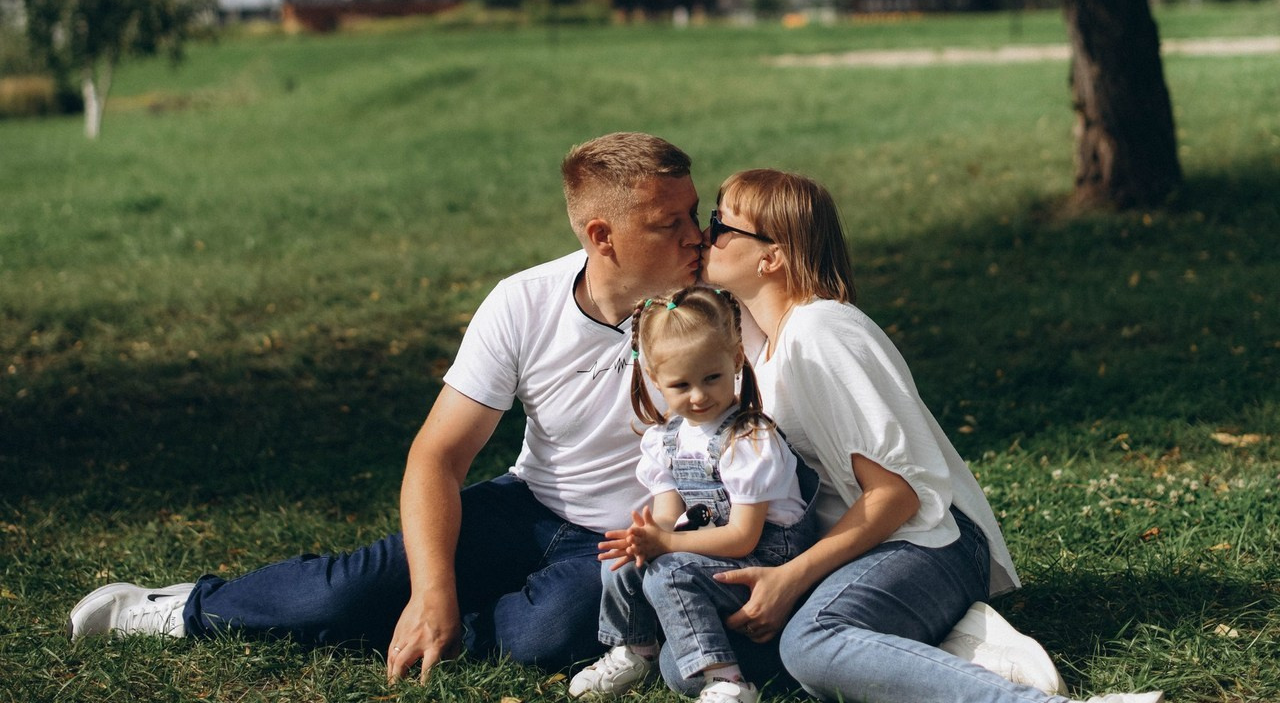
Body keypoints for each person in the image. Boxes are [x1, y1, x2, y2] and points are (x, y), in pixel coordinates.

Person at [67, 132, 706, 683]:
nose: (695, 237)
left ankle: (438, 624)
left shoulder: (715, 310)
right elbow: (438, 454)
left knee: (545, 635)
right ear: (602, 236)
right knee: (343, 592)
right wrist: (431, 591)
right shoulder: (524, 303)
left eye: (694, 215)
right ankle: (185, 609)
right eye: (668, 223)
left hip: (626, 540)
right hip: (527, 505)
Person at [693, 169, 1165, 703]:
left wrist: (793, 578)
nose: (705, 236)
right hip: (865, 553)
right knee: (690, 655)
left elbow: (897, 495)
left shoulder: (821, 331)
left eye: (719, 223)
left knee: (812, 644)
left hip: (930, 540)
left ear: (771, 256)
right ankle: (956, 649)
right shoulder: (762, 346)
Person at [569, 285, 816, 703]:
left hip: (767, 558)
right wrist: (648, 540)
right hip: (713, 549)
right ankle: (634, 650)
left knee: (672, 572)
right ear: (655, 378)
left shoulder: (748, 438)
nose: (699, 395)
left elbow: (744, 537)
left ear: (736, 359)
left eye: (712, 378)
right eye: (681, 384)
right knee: (620, 563)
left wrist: (669, 544)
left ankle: (729, 681)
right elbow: (668, 515)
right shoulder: (666, 440)